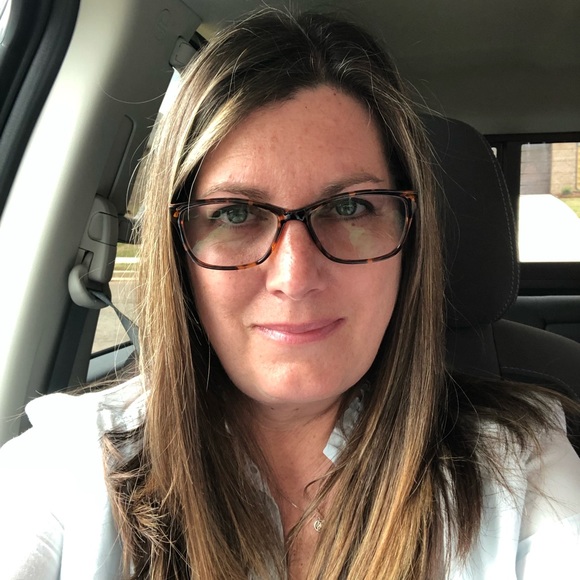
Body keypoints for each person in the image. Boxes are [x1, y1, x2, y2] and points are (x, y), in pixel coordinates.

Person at [1, 8, 580, 580]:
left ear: (411, 240)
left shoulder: (520, 469)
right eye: (235, 213)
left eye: (349, 207)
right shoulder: (70, 469)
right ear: (177, 251)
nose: (295, 276)